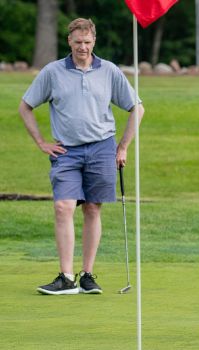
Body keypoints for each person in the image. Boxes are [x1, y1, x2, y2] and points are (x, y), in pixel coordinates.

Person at [18, 18, 144, 295]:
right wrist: (41, 142)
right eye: (77, 43)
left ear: (94, 41)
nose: (82, 48)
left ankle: (87, 275)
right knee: (63, 206)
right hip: (66, 151)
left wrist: (122, 147)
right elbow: (25, 106)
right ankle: (65, 277)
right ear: (69, 42)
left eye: (87, 43)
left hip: (102, 147)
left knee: (92, 208)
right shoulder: (53, 72)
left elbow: (137, 108)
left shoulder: (108, 70)